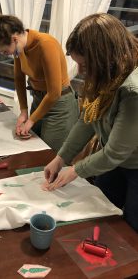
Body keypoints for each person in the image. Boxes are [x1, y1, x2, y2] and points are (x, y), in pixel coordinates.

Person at [43, 13, 138, 232]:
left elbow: (115, 153)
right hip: (113, 162)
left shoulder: (132, 91)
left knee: (131, 232)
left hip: (133, 165)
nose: (81, 71)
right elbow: (87, 119)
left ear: (104, 57)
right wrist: (61, 158)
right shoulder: (107, 73)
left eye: (84, 65)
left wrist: (75, 169)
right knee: (99, 214)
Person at [0, 10, 78, 152]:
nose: (5, 54)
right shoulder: (19, 48)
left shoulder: (46, 44)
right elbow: (19, 78)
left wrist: (31, 120)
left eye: (4, 51)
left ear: (14, 39)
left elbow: (54, 93)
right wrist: (23, 111)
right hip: (39, 100)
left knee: (49, 154)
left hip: (60, 105)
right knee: (33, 147)